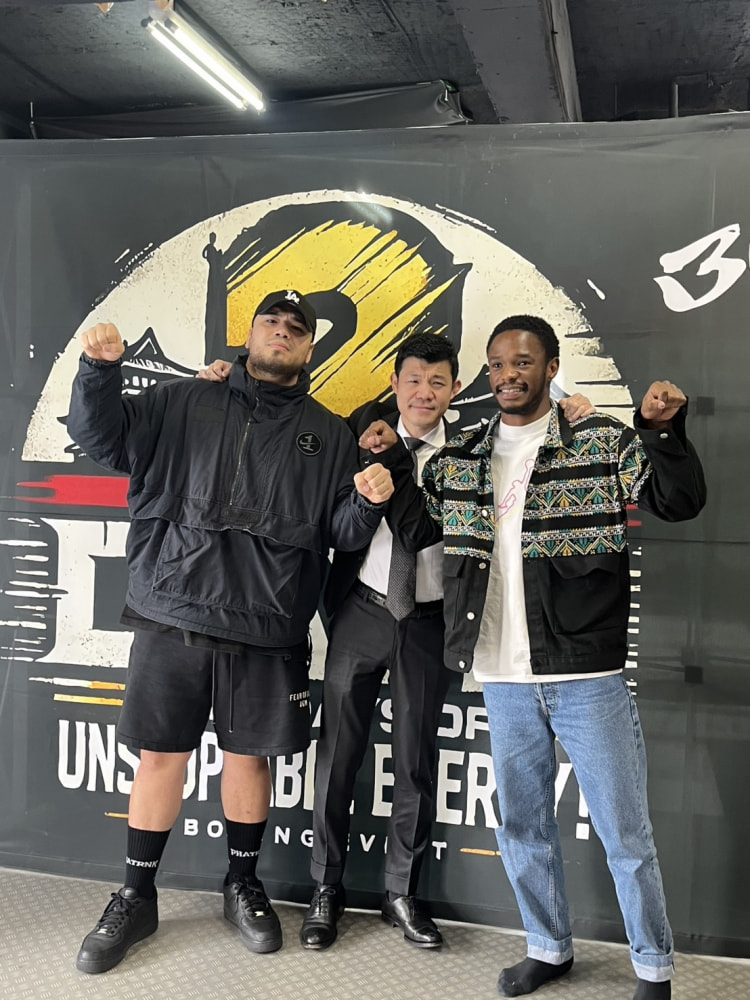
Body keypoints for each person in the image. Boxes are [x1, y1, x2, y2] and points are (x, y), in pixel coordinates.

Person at [200, 332, 593, 952]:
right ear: (394, 384)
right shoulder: (358, 435)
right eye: (413, 379)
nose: (424, 393)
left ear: (456, 389)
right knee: (337, 757)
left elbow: (529, 446)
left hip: (431, 620)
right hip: (361, 610)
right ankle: (326, 889)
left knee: (414, 761)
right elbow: (286, 422)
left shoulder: (474, 450)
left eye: (437, 382)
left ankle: (401, 893)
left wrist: (575, 408)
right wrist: (227, 377)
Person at [367, 315, 706, 1000]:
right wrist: (391, 469)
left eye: (521, 362)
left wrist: (659, 428)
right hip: (502, 675)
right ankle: (548, 948)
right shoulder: (462, 457)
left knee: (624, 833)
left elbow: (679, 500)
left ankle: (653, 967)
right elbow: (420, 527)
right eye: (496, 365)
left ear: (551, 367)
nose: (507, 375)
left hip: (587, 677)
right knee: (522, 827)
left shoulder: (600, 441)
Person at [66, 289, 394, 975]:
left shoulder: (330, 434)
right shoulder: (182, 400)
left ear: (310, 347)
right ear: (250, 332)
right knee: (160, 757)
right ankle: (136, 896)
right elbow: (103, 440)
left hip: (269, 626)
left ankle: (241, 884)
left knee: (249, 760)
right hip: (170, 610)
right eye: (272, 321)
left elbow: (341, 532)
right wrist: (99, 372)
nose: (283, 332)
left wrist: (367, 503)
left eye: (296, 328)